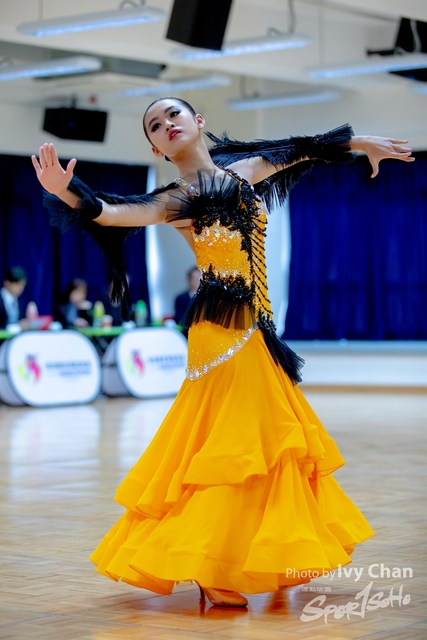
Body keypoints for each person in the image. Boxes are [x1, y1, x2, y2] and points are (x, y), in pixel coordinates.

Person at [31, 97, 414, 608]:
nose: (167, 124)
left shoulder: (245, 171)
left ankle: (257, 554)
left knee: (265, 446)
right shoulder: (176, 198)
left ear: (198, 122)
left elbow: (304, 149)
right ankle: (213, 563)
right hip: (219, 332)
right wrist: (67, 191)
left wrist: (361, 142)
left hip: (257, 329)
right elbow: (114, 212)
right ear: (155, 149)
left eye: (173, 115)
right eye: (155, 125)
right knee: (233, 447)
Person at [174, 266, 200, 335]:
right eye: (195, 279)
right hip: (187, 334)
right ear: (189, 281)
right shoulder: (181, 299)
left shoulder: (209, 299)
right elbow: (180, 320)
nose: (198, 282)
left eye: (200, 279)